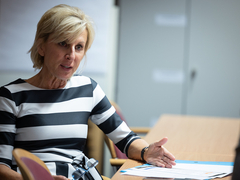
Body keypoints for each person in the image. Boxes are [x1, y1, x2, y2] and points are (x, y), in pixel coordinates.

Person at [0, 4, 176, 180]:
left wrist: (146, 152)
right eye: (63, 44)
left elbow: (125, 138)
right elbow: (1, 167)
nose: (71, 55)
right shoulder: (11, 97)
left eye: (79, 47)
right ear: (41, 47)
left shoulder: (87, 88)